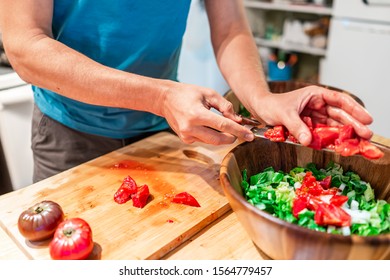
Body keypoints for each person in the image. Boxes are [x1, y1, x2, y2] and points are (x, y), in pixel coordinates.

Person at [0, 0, 373, 183]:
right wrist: (159, 96)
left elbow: (229, 26)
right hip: (70, 133)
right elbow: (25, 46)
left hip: (161, 131)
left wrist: (263, 100)